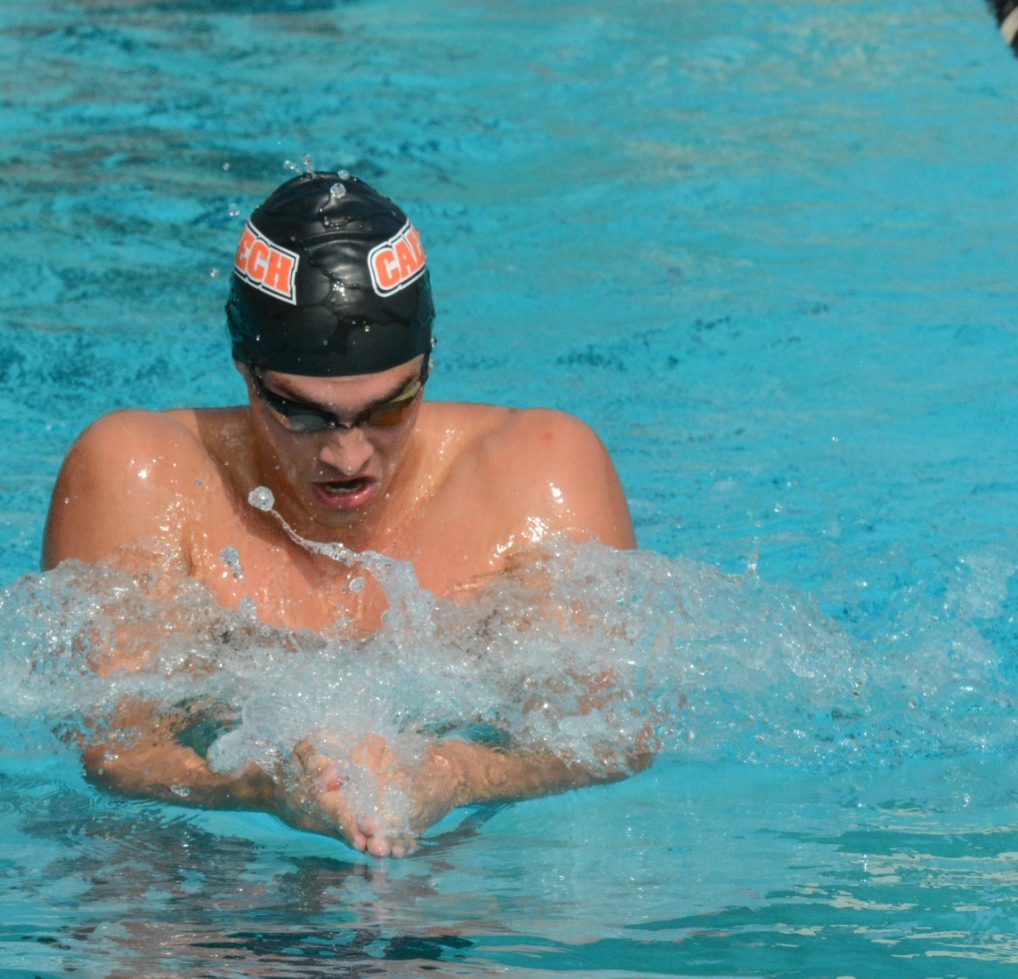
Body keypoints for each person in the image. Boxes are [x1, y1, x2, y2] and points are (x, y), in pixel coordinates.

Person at [41, 172, 647, 857]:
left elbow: (610, 735)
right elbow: (116, 749)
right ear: (246, 370)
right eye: (303, 412)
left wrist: (451, 773)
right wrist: (260, 784)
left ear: (429, 363)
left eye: (389, 408)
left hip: (459, 873)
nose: (347, 454)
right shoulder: (143, 476)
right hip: (218, 875)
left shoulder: (537, 474)